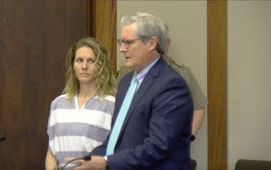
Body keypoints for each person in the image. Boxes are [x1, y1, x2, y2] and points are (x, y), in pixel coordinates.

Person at [74, 12, 193, 170]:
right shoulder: (125, 82)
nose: (122, 49)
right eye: (120, 42)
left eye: (128, 43)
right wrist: (87, 161)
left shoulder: (171, 85)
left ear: (151, 43)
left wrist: (106, 162)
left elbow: (158, 146)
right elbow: (115, 139)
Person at [116, 23, 207, 137]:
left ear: (168, 44)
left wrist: (188, 137)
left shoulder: (181, 73)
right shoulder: (126, 72)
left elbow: (198, 107)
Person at [45, 37, 116, 170]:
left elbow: (115, 152)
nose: (84, 66)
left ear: (101, 66)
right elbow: (52, 150)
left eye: (91, 61)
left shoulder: (112, 105)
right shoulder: (58, 104)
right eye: (79, 60)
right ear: (73, 65)